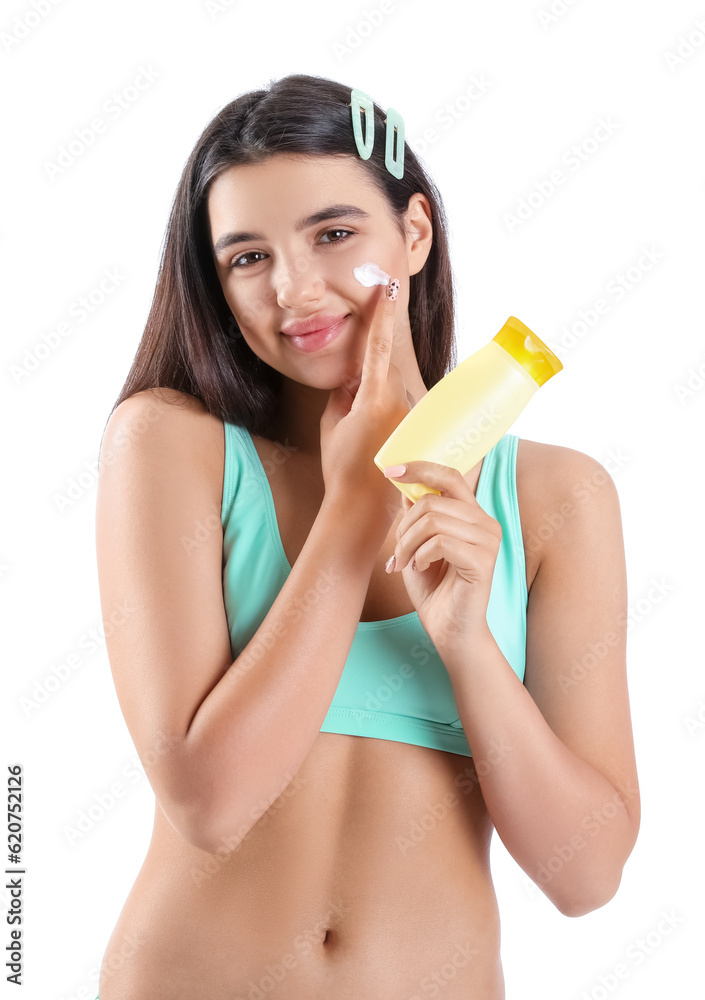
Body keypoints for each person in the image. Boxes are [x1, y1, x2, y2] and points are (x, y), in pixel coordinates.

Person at [94, 73, 640, 999]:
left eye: (334, 235)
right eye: (246, 258)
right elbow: (209, 801)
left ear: (414, 233)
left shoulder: (556, 500)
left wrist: (466, 643)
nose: (294, 289)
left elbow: (586, 879)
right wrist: (355, 508)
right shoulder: (169, 445)